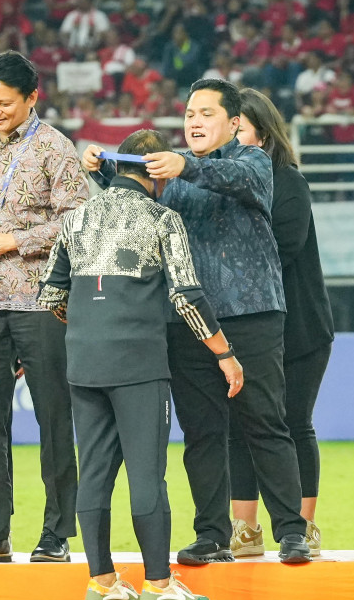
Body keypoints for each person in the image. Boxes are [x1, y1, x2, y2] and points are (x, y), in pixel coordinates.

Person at [82, 78, 311, 566]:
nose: (194, 122)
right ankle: (211, 533)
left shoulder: (253, 161)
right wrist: (105, 175)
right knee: (203, 432)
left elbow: (240, 182)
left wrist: (185, 165)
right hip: (189, 322)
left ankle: (291, 530)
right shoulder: (172, 178)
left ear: (233, 123)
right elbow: (137, 211)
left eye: (206, 113)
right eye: (188, 114)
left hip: (250, 316)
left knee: (265, 423)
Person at [39, 129, 240, 600]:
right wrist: (223, 353)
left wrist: (92, 324)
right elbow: (185, 296)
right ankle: (157, 583)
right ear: (156, 174)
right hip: (138, 363)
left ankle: (103, 584)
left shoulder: (76, 218)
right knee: (148, 474)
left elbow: (50, 295)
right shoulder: (162, 218)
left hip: (83, 360)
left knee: (95, 475)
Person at [0, 51, 86, 563]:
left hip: (41, 301)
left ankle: (56, 534)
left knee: (54, 415)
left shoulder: (56, 148)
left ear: (32, 98)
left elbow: (77, 222)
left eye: (4, 102)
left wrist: (16, 240)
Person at [229, 88, 335, 558]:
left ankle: (303, 525)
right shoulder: (222, 179)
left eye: (238, 125)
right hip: (244, 327)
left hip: (299, 330)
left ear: (261, 130)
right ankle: (244, 530)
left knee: (293, 423)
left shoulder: (287, 182)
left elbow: (282, 247)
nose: (231, 133)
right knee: (239, 425)